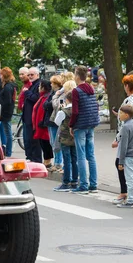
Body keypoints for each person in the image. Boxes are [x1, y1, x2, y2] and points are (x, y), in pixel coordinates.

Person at [112, 75, 133, 204]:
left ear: (127, 86)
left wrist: (117, 139)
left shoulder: (128, 100)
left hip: (129, 136)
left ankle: (127, 194)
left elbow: (123, 124)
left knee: (122, 164)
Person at [69, 65, 99, 194]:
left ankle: (83, 185)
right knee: (91, 155)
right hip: (91, 124)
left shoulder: (77, 91)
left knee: (81, 155)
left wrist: (71, 125)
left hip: (80, 125)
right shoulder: (90, 88)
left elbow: (75, 111)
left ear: (77, 76)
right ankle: (93, 184)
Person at [53, 91, 78, 191]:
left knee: (66, 160)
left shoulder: (63, 111)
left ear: (67, 99)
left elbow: (57, 122)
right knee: (74, 160)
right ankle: (75, 181)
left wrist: (61, 108)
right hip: (75, 137)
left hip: (64, 137)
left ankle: (66, 182)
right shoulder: (77, 110)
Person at [21, 67, 41, 162]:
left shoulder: (38, 85)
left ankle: (35, 159)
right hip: (28, 116)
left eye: (32, 75)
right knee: (28, 139)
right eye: (28, 75)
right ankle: (30, 157)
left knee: (33, 140)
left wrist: (27, 93)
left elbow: (36, 98)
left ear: (37, 75)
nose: (29, 76)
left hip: (33, 117)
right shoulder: (32, 85)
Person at [32, 79, 54, 168]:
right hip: (40, 124)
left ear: (43, 87)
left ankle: (47, 162)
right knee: (43, 143)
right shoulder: (42, 97)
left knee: (46, 143)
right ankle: (46, 161)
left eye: (40, 86)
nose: (38, 87)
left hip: (43, 125)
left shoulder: (46, 97)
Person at [44, 75, 64, 172]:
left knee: (56, 143)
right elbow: (46, 104)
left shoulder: (58, 93)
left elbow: (52, 105)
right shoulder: (52, 93)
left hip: (55, 120)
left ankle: (58, 163)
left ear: (56, 84)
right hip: (50, 120)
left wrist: (48, 104)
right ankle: (57, 162)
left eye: (52, 83)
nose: (51, 84)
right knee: (53, 142)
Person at [0, 67, 17, 157]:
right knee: (7, 132)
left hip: (6, 113)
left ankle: (8, 152)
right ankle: (7, 150)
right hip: (7, 112)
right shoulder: (10, 85)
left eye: (1, 74)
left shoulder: (8, 87)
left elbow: (7, 101)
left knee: (7, 133)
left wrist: (0, 105)